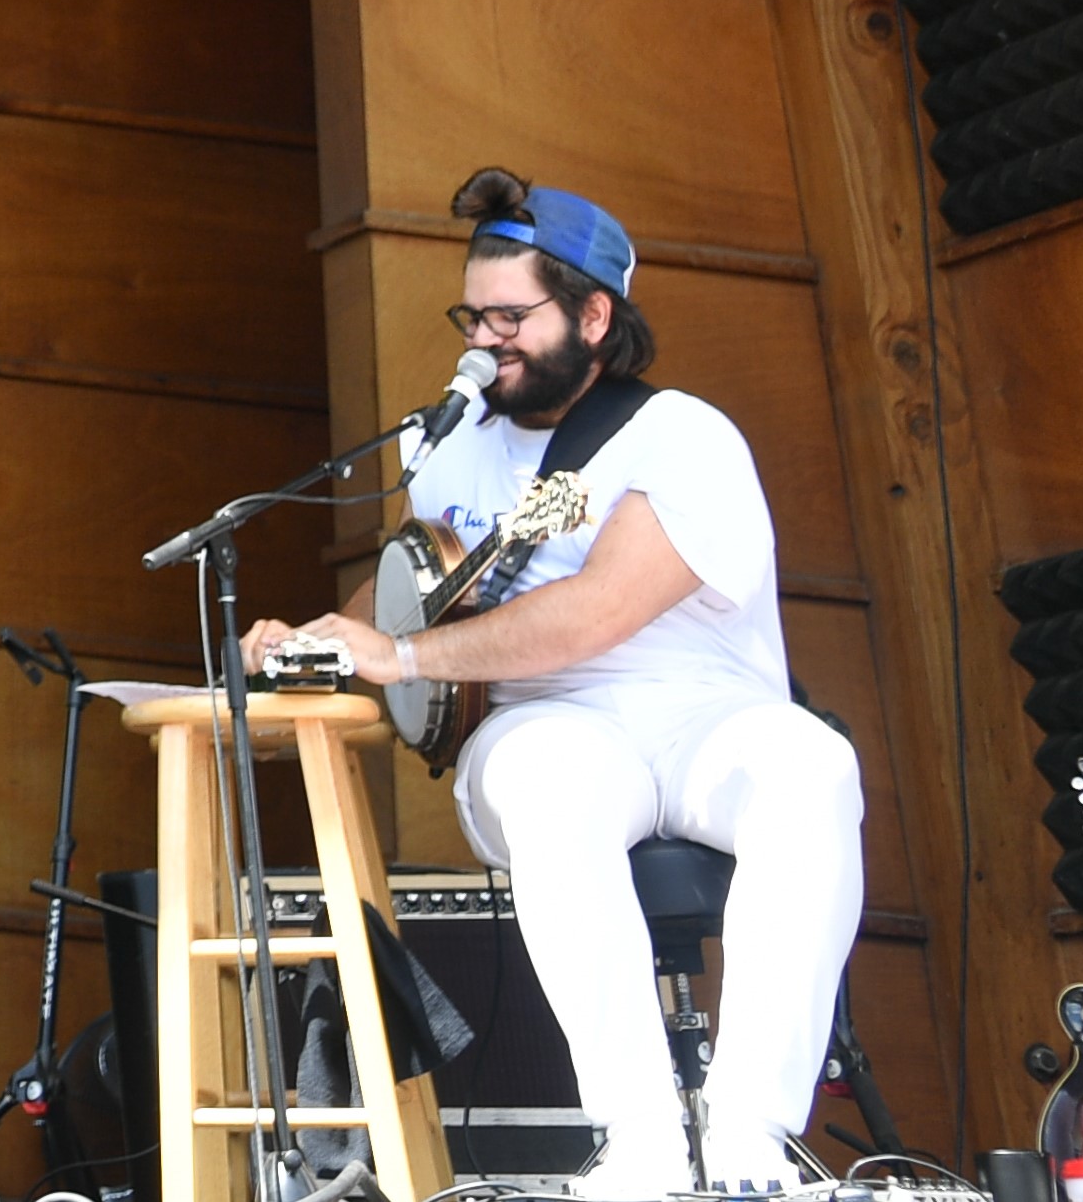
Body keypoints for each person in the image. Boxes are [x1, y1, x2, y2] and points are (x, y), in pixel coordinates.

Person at [249, 171, 860, 1196]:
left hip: (706, 718)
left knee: (811, 767)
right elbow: (413, 586)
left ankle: (750, 1138)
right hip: (545, 729)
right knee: (551, 782)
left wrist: (402, 660)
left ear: (591, 314)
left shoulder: (680, 435)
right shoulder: (441, 447)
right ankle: (641, 1141)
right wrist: (319, 639)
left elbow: (597, 608)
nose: (483, 339)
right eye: (472, 315)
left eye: (510, 316)